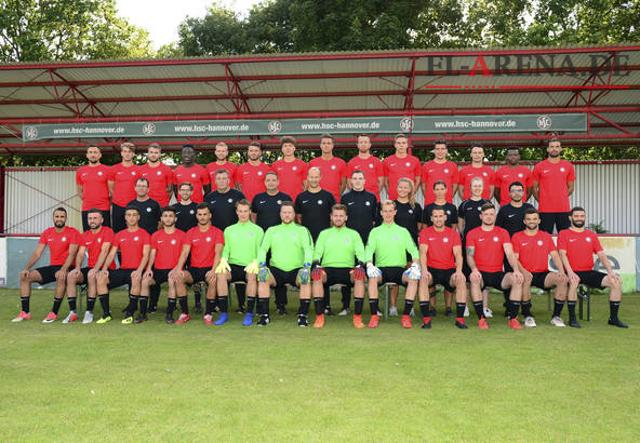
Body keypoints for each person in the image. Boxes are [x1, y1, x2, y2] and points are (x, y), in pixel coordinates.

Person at [557, 207, 628, 328]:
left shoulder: (591, 235)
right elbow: (562, 254)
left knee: (615, 281)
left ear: (585, 217)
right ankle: (572, 319)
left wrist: (610, 272)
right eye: (576, 216)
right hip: (572, 272)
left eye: (582, 216)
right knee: (574, 282)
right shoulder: (564, 234)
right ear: (570, 218)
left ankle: (613, 318)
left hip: (589, 272)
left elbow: (601, 255)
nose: (579, 218)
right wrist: (570, 272)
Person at [12, 208, 81, 323]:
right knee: (25, 276)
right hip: (53, 267)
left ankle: (53, 313)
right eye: (57, 216)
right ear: (53, 218)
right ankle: (25, 312)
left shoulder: (72, 232)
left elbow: (72, 254)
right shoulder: (47, 232)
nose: (59, 219)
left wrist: (64, 269)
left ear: (66, 218)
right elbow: (37, 253)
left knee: (60, 276)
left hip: (68, 267)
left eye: (62, 217)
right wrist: (26, 268)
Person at [466, 203, 524, 330]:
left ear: (495, 216)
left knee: (517, 279)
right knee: (474, 278)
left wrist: (516, 270)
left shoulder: (503, 232)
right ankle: (481, 319)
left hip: (497, 273)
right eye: (486, 214)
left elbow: (509, 254)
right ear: (481, 216)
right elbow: (470, 255)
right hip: (480, 273)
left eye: (491, 214)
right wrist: (474, 270)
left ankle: (513, 319)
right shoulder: (472, 233)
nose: (489, 217)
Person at [256, 202, 314, 327]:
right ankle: (264, 316)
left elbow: (309, 250)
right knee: (263, 278)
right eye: (284, 212)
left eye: (289, 212)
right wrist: (262, 266)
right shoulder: (272, 230)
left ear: (294, 214)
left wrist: (307, 267)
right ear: (280, 214)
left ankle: (303, 316)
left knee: (305, 279)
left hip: (296, 269)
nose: (287, 215)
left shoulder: (302, 230)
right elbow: (262, 249)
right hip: (276, 269)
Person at [364, 200, 420, 329]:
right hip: (381, 270)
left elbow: (413, 250)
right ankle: (374, 316)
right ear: (381, 213)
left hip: (399, 270)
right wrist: (369, 264)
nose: (388, 214)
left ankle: (405, 316)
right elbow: (369, 250)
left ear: (395, 212)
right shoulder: (375, 231)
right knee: (372, 278)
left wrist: (415, 264)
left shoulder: (403, 231)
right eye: (385, 211)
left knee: (413, 278)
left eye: (390, 211)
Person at [311, 204, 367, 329]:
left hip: (348, 269)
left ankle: (357, 317)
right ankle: (319, 316)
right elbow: (317, 252)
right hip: (328, 269)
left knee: (359, 276)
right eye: (335, 215)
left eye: (341, 216)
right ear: (331, 217)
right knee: (317, 276)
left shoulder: (353, 234)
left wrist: (360, 264)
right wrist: (316, 264)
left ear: (346, 217)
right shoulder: (324, 233)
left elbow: (360, 252)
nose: (338, 218)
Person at [512, 208, 569, 328]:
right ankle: (527, 315)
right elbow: (515, 259)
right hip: (525, 273)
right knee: (526, 279)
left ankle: (556, 316)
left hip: (542, 274)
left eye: (534, 219)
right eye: (528, 219)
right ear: (524, 221)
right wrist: (524, 271)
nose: (531, 221)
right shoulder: (517, 236)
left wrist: (561, 271)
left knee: (563, 279)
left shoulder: (546, 236)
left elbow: (555, 255)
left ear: (539, 221)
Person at [96, 206, 151, 324]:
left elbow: (146, 255)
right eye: (129, 215)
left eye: (134, 215)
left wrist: (139, 270)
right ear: (125, 217)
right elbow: (111, 254)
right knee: (101, 278)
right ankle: (106, 314)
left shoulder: (144, 234)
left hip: (137, 269)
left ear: (138, 217)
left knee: (135, 278)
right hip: (123, 270)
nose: (131, 218)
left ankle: (129, 314)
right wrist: (104, 269)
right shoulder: (120, 235)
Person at [172, 203, 224, 325]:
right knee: (178, 277)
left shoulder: (217, 232)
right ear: (196, 216)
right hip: (194, 269)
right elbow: (185, 253)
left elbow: (218, 253)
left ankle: (208, 314)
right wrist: (178, 269)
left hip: (209, 268)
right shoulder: (191, 232)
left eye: (205, 214)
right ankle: (185, 313)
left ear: (210, 215)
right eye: (200, 214)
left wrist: (213, 270)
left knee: (212, 279)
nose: (202, 217)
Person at [216, 200, 264, 326]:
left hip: (250, 265)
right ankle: (223, 313)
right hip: (233, 265)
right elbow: (226, 249)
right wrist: (223, 260)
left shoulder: (258, 230)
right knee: (221, 274)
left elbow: (261, 250)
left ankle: (249, 313)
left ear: (250, 212)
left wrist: (256, 262)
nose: (243, 214)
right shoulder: (229, 230)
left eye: (245, 211)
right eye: (240, 211)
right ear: (236, 212)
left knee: (252, 276)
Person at [418, 207, 467, 329]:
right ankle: (426, 320)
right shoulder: (425, 232)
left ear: (445, 217)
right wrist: (424, 270)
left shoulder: (453, 233)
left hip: (449, 270)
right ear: (431, 218)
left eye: (440, 216)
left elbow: (458, 254)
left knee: (461, 279)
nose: (438, 219)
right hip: (431, 269)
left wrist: (459, 271)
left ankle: (460, 319)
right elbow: (423, 253)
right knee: (423, 279)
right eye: (435, 216)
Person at [66, 209, 114, 324]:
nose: (92, 221)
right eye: (90, 218)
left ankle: (89, 311)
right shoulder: (85, 235)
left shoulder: (108, 231)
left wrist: (96, 269)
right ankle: (72, 312)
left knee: (91, 275)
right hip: (91, 268)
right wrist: (77, 268)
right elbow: (80, 253)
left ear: (102, 220)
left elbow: (104, 251)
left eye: (95, 218)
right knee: (71, 276)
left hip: (105, 268)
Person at [141, 207, 186, 324]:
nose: (168, 218)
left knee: (172, 280)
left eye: (171, 216)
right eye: (165, 216)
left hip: (174, 269)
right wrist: (148, 268)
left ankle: (169, 314)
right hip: (158, 270)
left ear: (175, 218)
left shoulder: (182, 235)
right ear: (161, 219)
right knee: (145, 281)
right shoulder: (156, 235)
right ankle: (142, 314)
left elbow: (184, 255)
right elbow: (152, 254)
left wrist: (177, 268)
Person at [422, 180, 458, 317]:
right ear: (433, 191)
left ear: (446, 190)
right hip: (432, 247)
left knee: (449, 283)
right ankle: (432, 307)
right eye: (437, 189)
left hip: (448, 247)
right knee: (430, 281)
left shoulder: (452, 207)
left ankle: (448, 308)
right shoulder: (428, 208)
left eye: (442, 188)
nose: (439, 191)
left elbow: (454, 227)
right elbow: (425, 227)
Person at [388, 177, 422, 316]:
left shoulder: (416, 207)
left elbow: (419, 227)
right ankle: (393, 306)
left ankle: (410, 306)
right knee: (394, 278)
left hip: (410, 247)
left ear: (410, 189)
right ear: (396, 188)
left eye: (405, 187)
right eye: (400, 187)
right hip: (394, 246)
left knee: (411, 276)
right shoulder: (391, 206)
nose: (402, 190)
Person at [532, 137, 576, 234]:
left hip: (563, 209)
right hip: (545, 210)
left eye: (557, 146)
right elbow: (534, 188)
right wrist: (542, 200)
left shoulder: (568, 166)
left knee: (565, 236)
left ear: (560, 149)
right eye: (551, 147)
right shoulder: (539, 166)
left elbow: (571, 187)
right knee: (544, 237)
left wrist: (561, 197)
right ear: (548, 149)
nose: (554, 149)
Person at [295, 167, 335, 243]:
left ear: (320, 177)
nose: (314, 180)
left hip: (324, 237)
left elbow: (333, 217)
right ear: (307, 177)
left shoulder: (328, 196)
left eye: (316, 177)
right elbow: (298, 218)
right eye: (311, 177)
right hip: (306, 237)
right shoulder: (301, 197)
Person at [76, 145, 111, 231]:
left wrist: (105, 201)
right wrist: (88, 200)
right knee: (88, 234)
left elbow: (112, 191)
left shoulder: (108, 170)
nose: (93, 155)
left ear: (100, 155)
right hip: (87, 208)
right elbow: (79, 191)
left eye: (95, 152)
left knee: (105, 234)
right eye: (90, 152)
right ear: (87, 155)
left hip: (103, 208)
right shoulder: (80, 171)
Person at [108, 142, 140, 232]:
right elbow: (111, 188)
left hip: (134, 205)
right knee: (118, 232)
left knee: (134, 231)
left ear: (133, 154)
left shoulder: (139, 170)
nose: (127, 154)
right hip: (118, 205)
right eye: (125, 151)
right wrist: (118, 198)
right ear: (121, 153)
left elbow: (141, 188)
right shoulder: (113, 169)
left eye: (129, 152)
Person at [341, 170, 379, 244]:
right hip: (350, 237)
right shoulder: (345, 198)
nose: (357, 181)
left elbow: (374, 219)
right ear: (351, 181)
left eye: (360, 178)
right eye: (355, 179)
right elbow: (343, 218)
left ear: (364, 181)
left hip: (367, 237)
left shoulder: (372, 197)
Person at [308, 133, 347, 201]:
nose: (326, 145)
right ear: (320, 145)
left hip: (335, 200)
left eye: (328, 143)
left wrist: (335, 196)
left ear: (332, 146)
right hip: (316, 199)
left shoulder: (341, 163)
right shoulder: (312, 163)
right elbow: (309, 182)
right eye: (324, 143)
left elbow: (343, 184)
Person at [383, 134, 421, 200]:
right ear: (395, 145)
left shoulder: (415, 160)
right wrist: (390, 193)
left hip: (409, 198)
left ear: (407, 145)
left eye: (403, 143)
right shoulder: (387, 161)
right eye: (398, 143)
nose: (401, 145)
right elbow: (385, 181)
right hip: (393, 197)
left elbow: (417, 180)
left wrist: (412, 192)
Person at [347, 134, 385, 199]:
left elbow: (381, 182)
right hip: (357, 199)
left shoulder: (377, 161)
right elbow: (349, 183)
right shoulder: (351, 162)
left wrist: (373, 195)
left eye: (365, 142)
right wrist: (356, 195)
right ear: (357, 145)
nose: (363, 144)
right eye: (361, 142)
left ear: (370, 145)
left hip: (374, 199)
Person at [421, 140, 458, 205]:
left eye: (442, 149)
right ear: (434, 151)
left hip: (447, 202)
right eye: (437, 149)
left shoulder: (453, 166)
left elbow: (455, 185)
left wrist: (449, 197)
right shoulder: (426, 166)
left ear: (446, 151)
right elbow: (423, 185)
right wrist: (429, 197)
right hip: (430, 202)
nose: (440, 151)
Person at [272, 136, 308, 200]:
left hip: (297, 200)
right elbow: (272, 184)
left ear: (294, 148)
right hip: (280, 200)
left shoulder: (302, 164)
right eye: (285, 146)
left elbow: (306, 185)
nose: (288, 148)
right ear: (282, 149)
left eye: (290, 146)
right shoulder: (275, 165)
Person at [139, 143, 174, 207]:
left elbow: (170, 190)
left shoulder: (167, 169)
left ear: (160, 154)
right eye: (151, 152)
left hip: (162, 205)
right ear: (148, 154)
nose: (153, 155)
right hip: (144, 204)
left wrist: (164, 202)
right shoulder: (141, 170)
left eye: (156, 153)